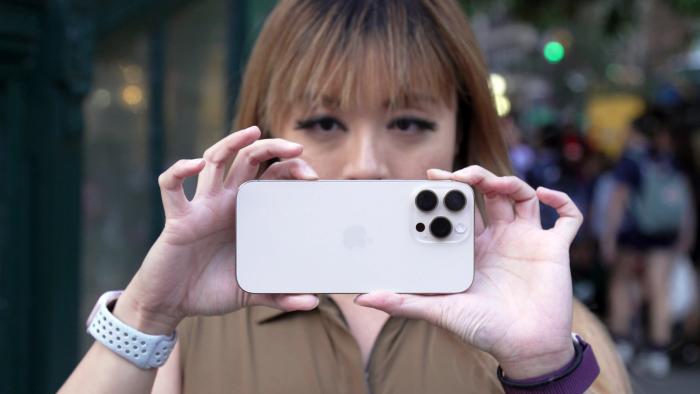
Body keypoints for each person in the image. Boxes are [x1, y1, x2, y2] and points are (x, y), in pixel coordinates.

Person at [60, 1, 630, 392]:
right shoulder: (193, 325)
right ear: (266, 133)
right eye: (325, 123)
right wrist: (147, 315)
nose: (366, 167)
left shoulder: (548, 323)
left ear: (462, 132)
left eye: (408, 122)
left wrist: (542, 368)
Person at [603, 107, 696, 377]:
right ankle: (658, 352)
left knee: (621, 283)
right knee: (660, 290)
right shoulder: (674, 160)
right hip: (664, 237)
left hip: (633, 235)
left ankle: (622, 344)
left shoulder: (632, 160)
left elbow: (618, 200)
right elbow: (685, 201)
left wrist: (608, 237)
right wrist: (685, 234)